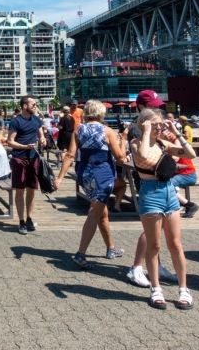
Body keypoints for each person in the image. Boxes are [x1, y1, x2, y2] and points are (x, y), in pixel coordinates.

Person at [131, 108, 195, 310]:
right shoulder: (135, 143)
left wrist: (176, 134)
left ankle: (184, 289)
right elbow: (143, 157)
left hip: (168, 192)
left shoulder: (162, 143)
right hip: (150, 193)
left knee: (175, 243)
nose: (159, 128)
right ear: (144, 124)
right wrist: (147, 131)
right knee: (155, 245)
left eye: (160, 124)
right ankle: (156, 288)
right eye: (155, 124)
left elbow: (190, 154)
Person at [55, 100, 127, 269]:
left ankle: (111, 248)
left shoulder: (78, 130)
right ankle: (80, 253)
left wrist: (60, 177)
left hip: (85, 174)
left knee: (102, 213)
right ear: (101, 113)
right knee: (94, 213)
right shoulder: (107, 131)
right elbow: (121, 157)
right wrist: (123, 139)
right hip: (102, 175)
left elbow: (70, 155)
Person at [7, 95, 46, 235]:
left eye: (35, 104)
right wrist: (25, 147)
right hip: (20, 158)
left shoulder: (36, 119)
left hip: (33, 158)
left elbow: (41, 134)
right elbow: (10, 141)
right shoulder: (16, 121)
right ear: (25, 106)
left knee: (31, 189)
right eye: (33, 104)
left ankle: (29, 218)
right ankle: (21, 221)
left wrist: (42, 140)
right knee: (19, 190)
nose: (35, 106)